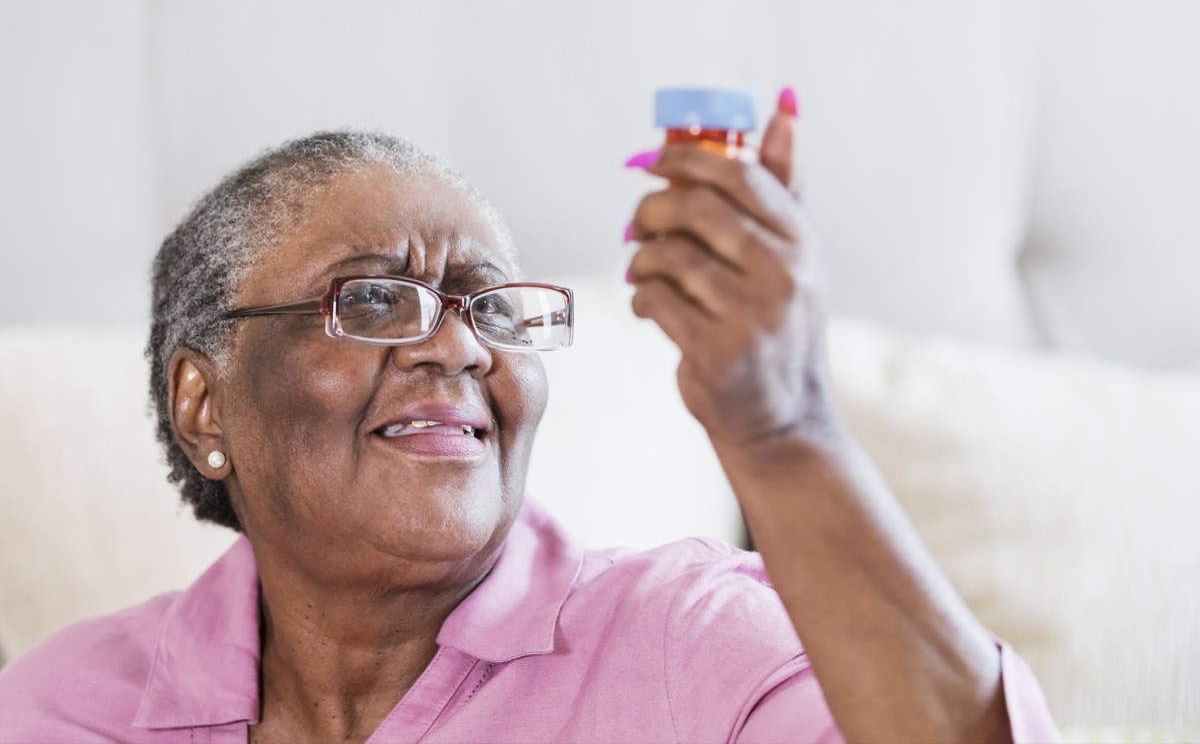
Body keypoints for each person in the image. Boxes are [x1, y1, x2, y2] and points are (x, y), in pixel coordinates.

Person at [0, 89, 1057, 743]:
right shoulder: (63, 707)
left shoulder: (692, 645)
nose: (460, 344)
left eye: (493, 306)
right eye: (372, 298)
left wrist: (786, 429)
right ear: (203, 402)